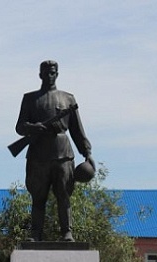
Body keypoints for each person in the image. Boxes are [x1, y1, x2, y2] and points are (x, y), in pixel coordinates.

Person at [15, 60, 95, 242]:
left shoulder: (68, 98)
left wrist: (87, 153)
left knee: (64, 195)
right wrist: (32, 127)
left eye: (53, 72)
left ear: (57, 74)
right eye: (46, 72)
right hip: (38, 153)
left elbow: (77, 130)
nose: (50, 76)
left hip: (63, 153)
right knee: (38, 196)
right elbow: (19, 127)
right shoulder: (29, 98)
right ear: (40, 74)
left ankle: (67, 233)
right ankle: (35, 234)